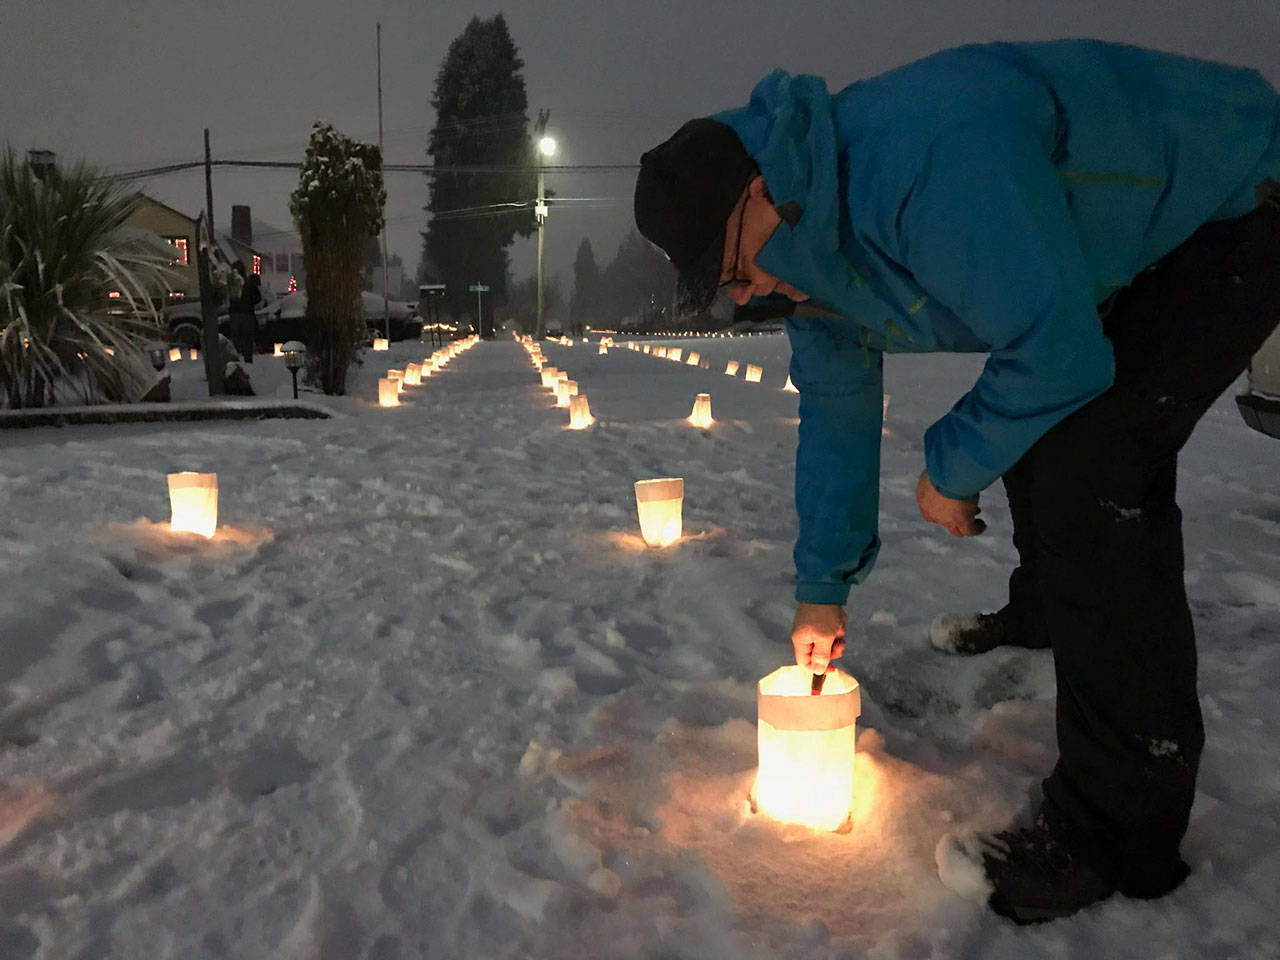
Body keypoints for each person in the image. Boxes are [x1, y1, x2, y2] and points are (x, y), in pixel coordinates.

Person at [634, 40, 1280, 924]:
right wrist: (822, 590)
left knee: (1092, 462)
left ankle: (1117, 831)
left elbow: (1056, 353)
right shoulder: (806, 260)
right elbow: (837, 417)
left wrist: (949, 467)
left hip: (1233, 196)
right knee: (1044, 429)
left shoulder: (919, 163)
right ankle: (1049, 612)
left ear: (757, 193)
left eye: (735, 267)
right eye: (723, 288)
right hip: (1125, 244)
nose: (742, 297)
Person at [228, 261, 262, 363]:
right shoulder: (249, 283)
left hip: (235, 314)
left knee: (235, 337)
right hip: (247, 314)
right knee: (248, 338)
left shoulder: (232, 283)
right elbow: (258, 298)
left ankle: (233, 359)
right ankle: (247, 358)